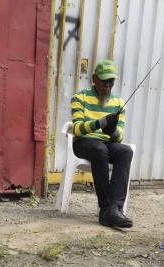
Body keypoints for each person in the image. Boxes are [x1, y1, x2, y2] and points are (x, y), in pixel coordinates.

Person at [70, 59, 133, 228]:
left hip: (106, 142)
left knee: (125, 152)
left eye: (111, 81)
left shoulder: (119, 103)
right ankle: (107, 209)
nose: (107, 85)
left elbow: (119, 136)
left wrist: (111, 131)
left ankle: (113, 208)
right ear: (94, 78)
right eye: (104, 80)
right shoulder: (79, 97)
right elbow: (76, 129)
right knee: (99, 149)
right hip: (84, 142)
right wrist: (100, 123)